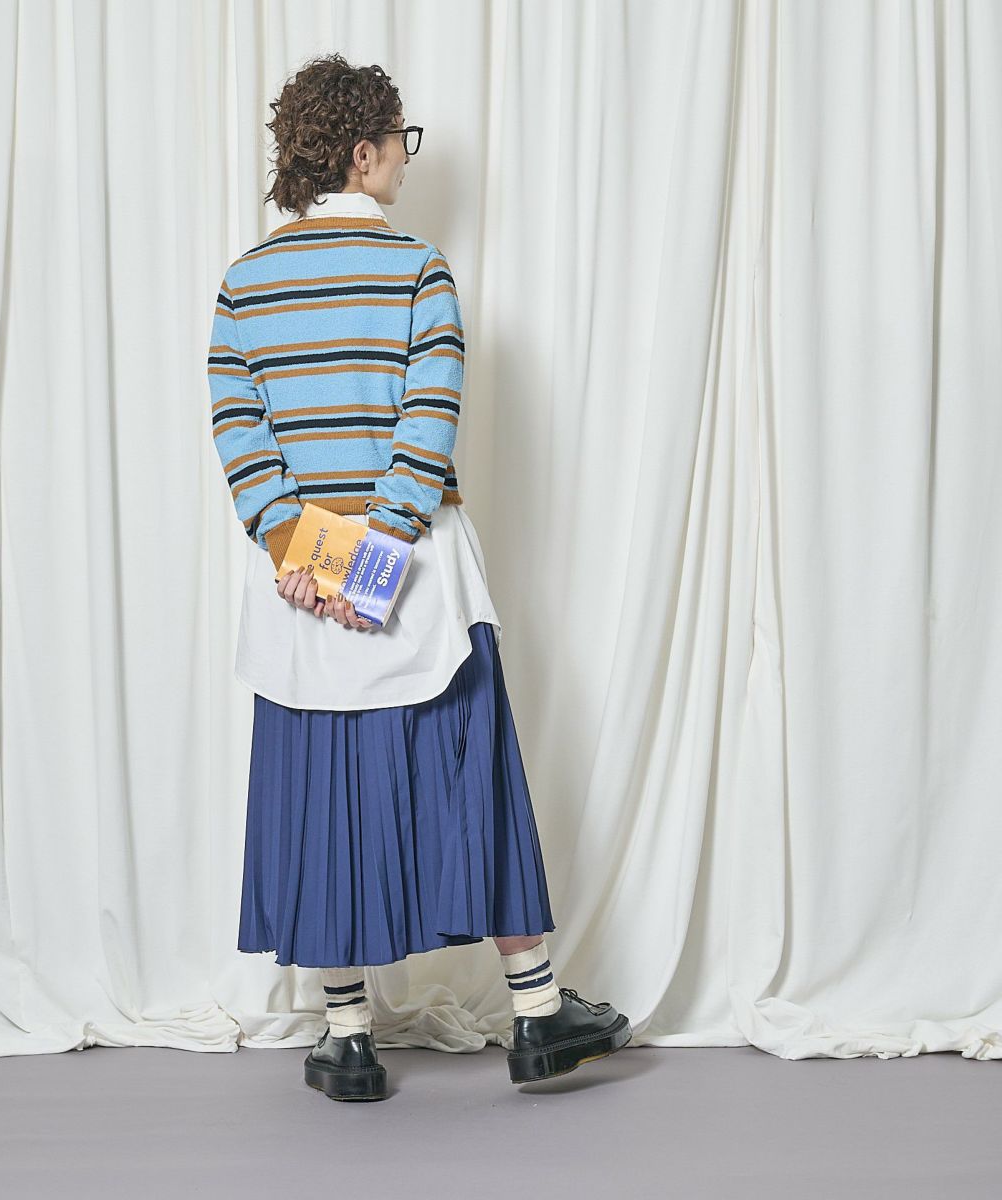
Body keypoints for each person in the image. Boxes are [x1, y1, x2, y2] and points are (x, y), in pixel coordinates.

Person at [207, 52, 630, 1101]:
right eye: (403, 141)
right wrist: (377, 561)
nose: (407, 159)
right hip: (420, 577)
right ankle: (537, 1012)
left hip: (302, 590)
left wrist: (305, 557)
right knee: (472, 778)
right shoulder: (418, 270)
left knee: (323, 793)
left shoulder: (244, 283)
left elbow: (242, 434)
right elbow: (426, 425)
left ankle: (347, 1036)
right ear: (364, 152)